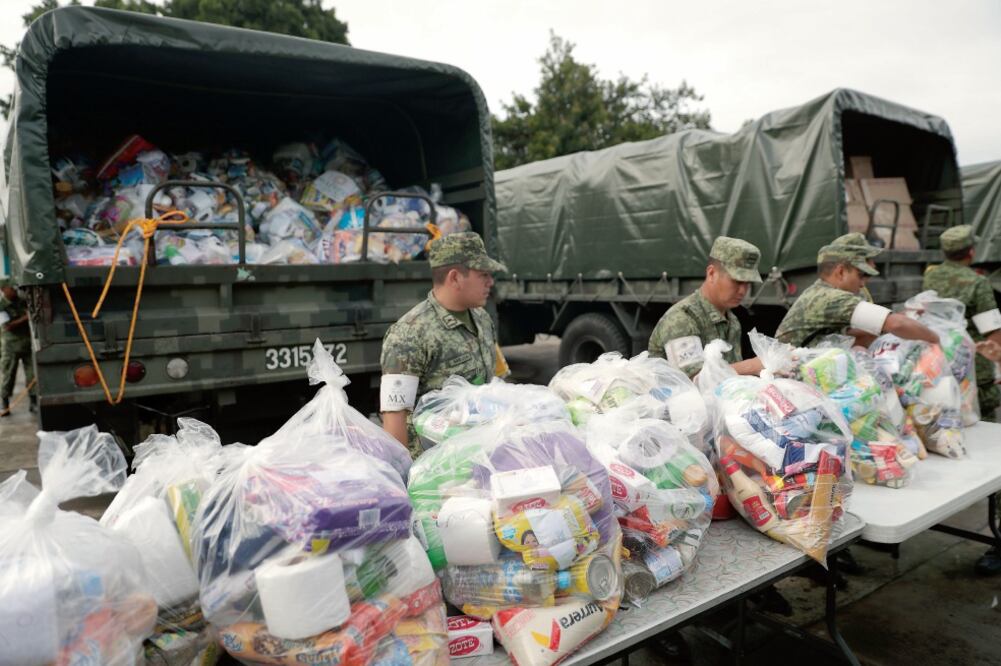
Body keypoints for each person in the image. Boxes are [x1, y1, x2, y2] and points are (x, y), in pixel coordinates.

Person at [380, 232, 507, 456]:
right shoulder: (409, 334)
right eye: (483, 275)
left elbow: (494, 383)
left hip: (482, 453)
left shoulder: (482, 319)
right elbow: (395, 417)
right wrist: (405, 472)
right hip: (436, 464)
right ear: (455, 277)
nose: (490, 282)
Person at [923, 225, 1001, 576]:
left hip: (938, 372)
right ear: (970, 251)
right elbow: (992, 333)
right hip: (974, 379)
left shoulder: (931, 275)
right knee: (993, 452)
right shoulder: (977, 283)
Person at [775, 233, 939, 348]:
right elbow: (896, 325)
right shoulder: (829, 298)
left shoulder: (822, 291)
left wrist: (904, 316)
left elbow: (864, 330)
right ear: (840, 272)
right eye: (861, 275)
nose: (863, 283)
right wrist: (935, 339)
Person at [648, 237, 765, 378]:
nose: (742, 291)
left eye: (747, 283)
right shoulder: (682, 318)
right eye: (737, 281)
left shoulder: (732, 321)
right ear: (711, 274)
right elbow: (692, 379)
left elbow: (729, 380)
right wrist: (751, 366)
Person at [1, 280, 37, 415]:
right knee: (8, 375)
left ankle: (33, 403)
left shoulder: (21, 301)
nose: (14, 290)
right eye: (11, 288)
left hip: (26, 344)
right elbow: (8, 326)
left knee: (32, 374)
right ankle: (5, 404)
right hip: (11, 347)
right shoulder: (1, 306)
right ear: (3, 289)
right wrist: (26, 318)